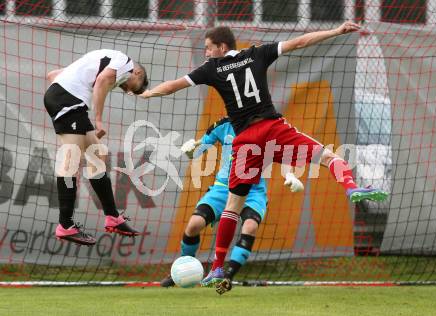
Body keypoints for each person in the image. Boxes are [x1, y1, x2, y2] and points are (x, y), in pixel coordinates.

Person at [138, 22, 388, 294]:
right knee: (328, 156)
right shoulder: (257, 54)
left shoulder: (211, 69)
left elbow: (174, 85)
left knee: (232, 207)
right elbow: (300, 42)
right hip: (273, 129)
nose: (206, 53)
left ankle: (218, 267)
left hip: (246, 141)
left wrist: (147, 93)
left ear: (222, 47)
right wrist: (335, 31)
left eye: (209, 48)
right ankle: (351, 188)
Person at [161, 117, 302, 287]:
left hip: (253, 190)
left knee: (250, 226)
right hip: (222, 188)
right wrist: (190, 150)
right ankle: (181, 270)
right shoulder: (223, 125)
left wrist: (289, 174)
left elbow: (286, 155)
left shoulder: (266, 126)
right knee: (193, 225)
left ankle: (226, 276)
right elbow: (199, 150)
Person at [44, 49, 149, 246]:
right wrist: (98, 120)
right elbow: (102, 81)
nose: (128, 91)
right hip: (69, 103)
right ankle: (65, 225)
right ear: (138, 74)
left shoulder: (105, 61)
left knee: (97, 157)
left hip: (70, 103)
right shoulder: (126, 64)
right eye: (134, 88)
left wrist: (58, 94)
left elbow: (52, 75)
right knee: (70, 161)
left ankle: (112, 217)